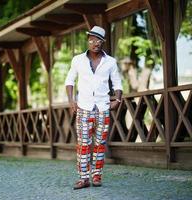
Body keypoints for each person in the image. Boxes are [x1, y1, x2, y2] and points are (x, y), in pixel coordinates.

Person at [65, 26, 123, 190]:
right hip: (83, 108)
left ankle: (96, 175)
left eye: (98, 40)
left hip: (103, 109)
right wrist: (71, 101)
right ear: (88, 40)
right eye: (92, 39)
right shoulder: (77, 60)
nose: (95, 43)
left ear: (102, 42)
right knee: (83, 144)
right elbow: (70, 81)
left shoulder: (110, 62)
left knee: (100, 144)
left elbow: (118, 83)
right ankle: (83, 178)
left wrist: (117, 100)